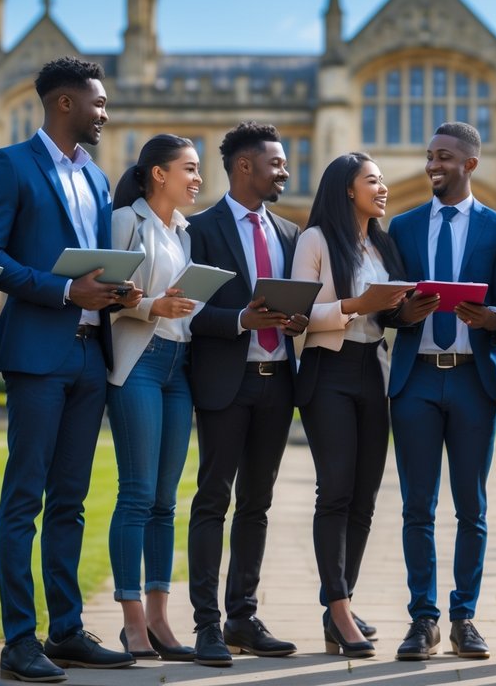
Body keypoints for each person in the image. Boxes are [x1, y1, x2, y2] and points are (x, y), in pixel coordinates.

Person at [0, 57, 141, 682]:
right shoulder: (7, 165)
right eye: (98, 103)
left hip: (88, 355)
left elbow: (92, 264)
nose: (105, 113)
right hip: (38, 351)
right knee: (25, 498)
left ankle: (65, 629)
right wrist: (67, 293)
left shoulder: (97, 178)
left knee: (70, 502)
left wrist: (114, 290)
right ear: (64, 103)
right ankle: (20, 640)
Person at [386, 121, 496, 661]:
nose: (432, 165)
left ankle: (465, 616)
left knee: (473, 506)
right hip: (415, 378)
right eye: (428, 156)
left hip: (473, 378)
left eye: (444, 156)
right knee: (417, 506)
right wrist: (404, 312)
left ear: (470, 163)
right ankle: (423, 619)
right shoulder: (402, 227)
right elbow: (386, 306)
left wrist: (491, 317)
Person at [184, 121, 307, 666]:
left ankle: (242, 617)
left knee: (257, 504)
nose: (284, 171)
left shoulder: (289, 233)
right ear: (243, 168)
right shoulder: (200, 229)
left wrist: (297, 318)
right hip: (224, 383)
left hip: (278, 381)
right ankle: (206, 626)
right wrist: (239, 318)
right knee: (213, 501)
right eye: (276, 163)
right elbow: (185, 310)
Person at [291, 152, 411, 658]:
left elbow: (390, 316)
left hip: (373, 368)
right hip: (329, 370)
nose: (383, 189)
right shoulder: (315, 239)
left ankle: (341, 604)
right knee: (335, 490)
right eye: (373, 181)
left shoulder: (382, 244)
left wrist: (409, 310)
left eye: (383, 182)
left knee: (365, 497)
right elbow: (295, 314)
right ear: (346, 188)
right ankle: (338, 609)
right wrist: (355, 307)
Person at [104, 134, 204, 662]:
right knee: (138, 493)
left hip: (178, 366)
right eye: (189, 168)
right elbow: (105, 300)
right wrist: (151, 308)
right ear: (158, 174)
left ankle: (163, 619)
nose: (198, 178)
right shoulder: (125, 222)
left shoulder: (184, 232)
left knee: (166, 501)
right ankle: (132, 621)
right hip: (139, 364)